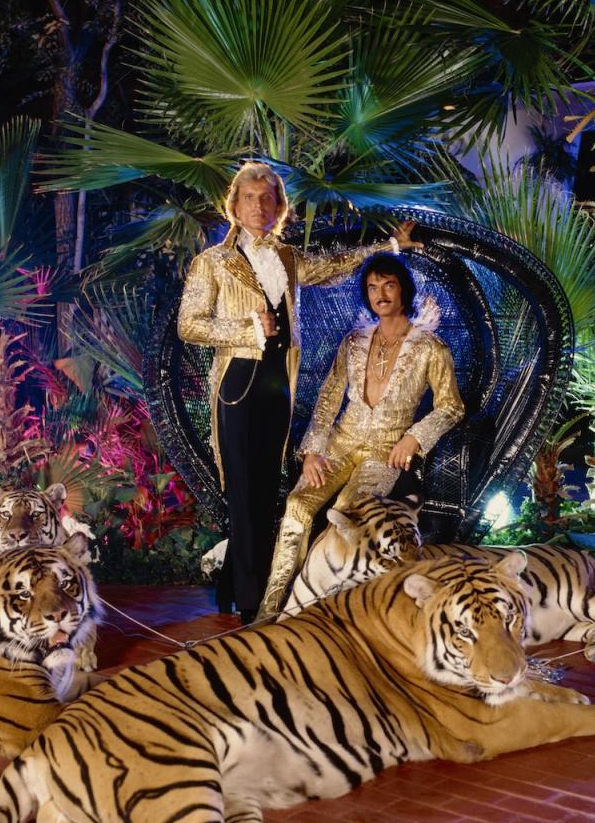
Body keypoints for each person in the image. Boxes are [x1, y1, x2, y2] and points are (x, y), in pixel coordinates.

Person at [177, 162, 421, 623]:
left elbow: (331, 267)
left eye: (267, 199)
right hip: (238, 384)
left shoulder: (287, 257)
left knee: (268, 492)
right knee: (246, 493)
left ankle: (239, 584)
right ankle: (252, 605)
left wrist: (388, 246)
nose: (258, 206)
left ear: (279, 207)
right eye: (249, 197)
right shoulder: (212, 262)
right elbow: (189, 326)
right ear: (234, 205)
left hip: (277, 388)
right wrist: (248, 328)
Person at [257, 252, 465, 619]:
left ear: (404, 290)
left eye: (388, 285)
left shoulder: (431, 348)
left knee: (345, 516)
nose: (380, 293)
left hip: (384, 453)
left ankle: (315, 612)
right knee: (296, 508)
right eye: (372, 287)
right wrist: (311, 453)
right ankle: (270, 612)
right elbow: (327, 400)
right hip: (340, 443)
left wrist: (413, 438)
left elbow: (452, 407)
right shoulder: (352, 342)